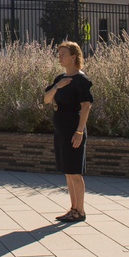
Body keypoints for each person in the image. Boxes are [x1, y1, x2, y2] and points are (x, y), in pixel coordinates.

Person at [44, 41, 93, 223]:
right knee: (68, 171)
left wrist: (79, 131)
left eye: (63, 54)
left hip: (74, 129)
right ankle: (73, 209)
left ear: (73, 57)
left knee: (75, 172)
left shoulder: (81, 80)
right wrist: (57, 87)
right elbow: (47, 99)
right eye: (59, 54)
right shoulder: (60, 79)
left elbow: (86, 106)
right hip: (61, 130)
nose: (60, 57)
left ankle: (80, 211)